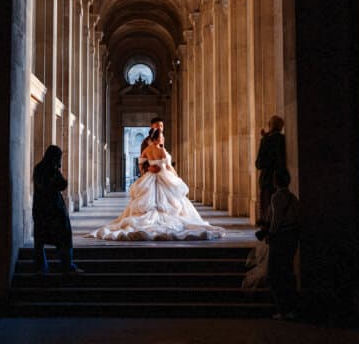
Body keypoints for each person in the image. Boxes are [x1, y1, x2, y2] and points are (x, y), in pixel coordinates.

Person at [92, 128, 224, 240]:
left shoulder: (147, 150)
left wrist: (147, 169)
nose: (162, 138)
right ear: (156, 138)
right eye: (161, 136)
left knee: (147, 200)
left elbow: (141, 163)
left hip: (149, 177)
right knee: (172, 202)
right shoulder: (160, 150)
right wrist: (176, 176)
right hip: (162, 176)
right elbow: (166, 166)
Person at [32, 145, 83, 274]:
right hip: (52, 210)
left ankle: (42, 267)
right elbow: (60, 184)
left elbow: (62, 185)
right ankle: (64, 265)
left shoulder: (40, 169)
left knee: (41, 240)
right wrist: (56, 173)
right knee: (63, 237)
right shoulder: (49, 170)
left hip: (43, 209)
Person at [257, 168, 300, 319]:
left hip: (281, 238)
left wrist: (269, 234)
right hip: (292, 237)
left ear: (276, 182)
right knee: (287, 272)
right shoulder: (293, 197)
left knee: (275, 274)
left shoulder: (276, 197)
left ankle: (282, 309)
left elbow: (276, 221)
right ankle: (292, 309)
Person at [255, 115, 286, 225]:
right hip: (281, 179)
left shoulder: (266, 140)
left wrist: (265, 137)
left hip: (267, 179)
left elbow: (259, 164)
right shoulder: (284, 140)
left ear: (270, 125)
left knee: (267, 208)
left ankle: (267, 230)